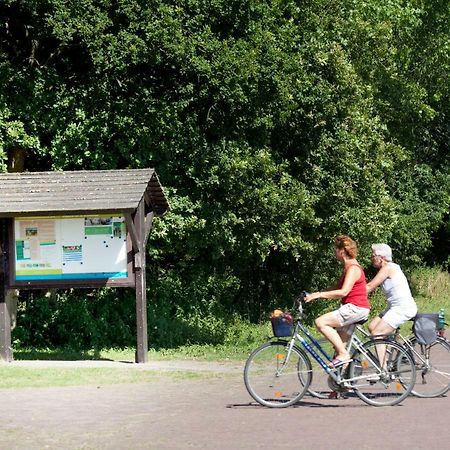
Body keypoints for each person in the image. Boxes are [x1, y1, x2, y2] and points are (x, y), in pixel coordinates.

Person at [305, 235, 370, 368]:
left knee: (320, 322)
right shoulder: (348, 267)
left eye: (336, 249)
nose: (334, 252)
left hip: (355, 308)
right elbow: (337, 287)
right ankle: (343, 385)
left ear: (342, 251)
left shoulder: (353, 268)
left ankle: (344, 355)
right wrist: (314, 294)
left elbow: (343, 292)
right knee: (339, 346)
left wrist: (319, 295)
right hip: (353, 308)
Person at [367, 243, 417, 336]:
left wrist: (351, 294)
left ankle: (383, 349)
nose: (371, 258)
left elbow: (370, 286)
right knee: (372, 327)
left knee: (377, 333)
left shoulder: (388, 268)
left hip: (402, 308)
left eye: (373, 256)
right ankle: (389, 344)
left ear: (381, 257)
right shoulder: (388, 267)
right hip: (393, 307)